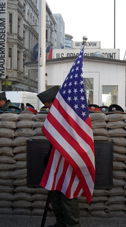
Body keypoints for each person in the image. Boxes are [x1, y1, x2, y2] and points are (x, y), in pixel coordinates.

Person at [37, 86, 81, 227]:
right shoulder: (56, 115)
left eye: (49, 105)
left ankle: (72, 226)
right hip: (55, 160)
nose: (48, 109)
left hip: (68, 160)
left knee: (68, 194)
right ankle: (61, 223)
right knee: (55, 195)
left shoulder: (70, 115)